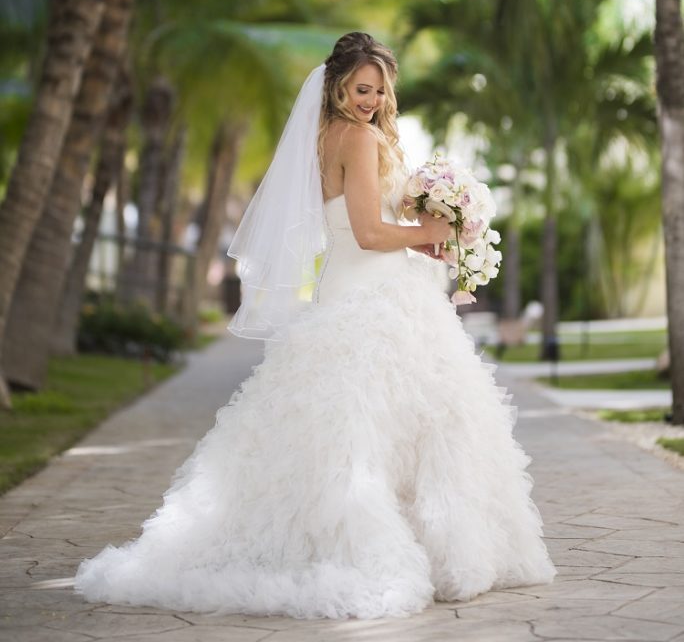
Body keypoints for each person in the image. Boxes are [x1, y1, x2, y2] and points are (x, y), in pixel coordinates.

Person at [74, 32, 555, 620]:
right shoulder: (356, 138)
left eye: (379, 90)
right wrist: (432, 235)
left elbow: (359, 224)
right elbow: (372, 235)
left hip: (352, 289)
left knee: (372, 425)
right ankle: (431, 550)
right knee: (411, 422)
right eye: (361, 88)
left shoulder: (326, 136)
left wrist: (424, 230)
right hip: (373, 295)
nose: (372, 99)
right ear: (335, 86)